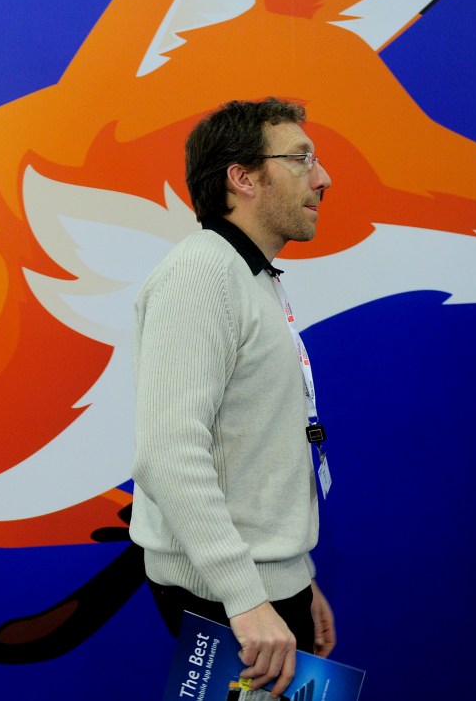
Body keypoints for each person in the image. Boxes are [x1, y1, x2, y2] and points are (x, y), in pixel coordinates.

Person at [130, 98, 336, 698]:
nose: (323, 178)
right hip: (225, 596)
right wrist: (246, 598)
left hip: (261, 582)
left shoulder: (249, 275)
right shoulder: (201, 275)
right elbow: (168, 454)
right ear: (242, 178)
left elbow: (256, 444)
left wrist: (295, 575)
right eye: (300, 159)